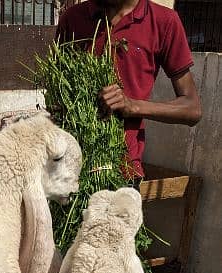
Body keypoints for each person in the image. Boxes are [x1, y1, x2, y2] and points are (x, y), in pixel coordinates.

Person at [56, 0, 202, 180]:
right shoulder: (73, 18)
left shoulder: (164, 21)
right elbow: (58, 93)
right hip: (69, 167)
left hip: (123, 169)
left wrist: (132, 106)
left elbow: (192, 108)